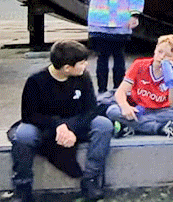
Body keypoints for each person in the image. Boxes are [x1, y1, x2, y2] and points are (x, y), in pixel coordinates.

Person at [8, 39, 113, 202]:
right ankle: (22, 186)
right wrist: (58, 126)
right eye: (82, 63)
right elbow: (29, 115)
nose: (86, 66)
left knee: (103, 125)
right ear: (66, 68)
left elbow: (91, 109)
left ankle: (90, 180)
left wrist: (71, 129)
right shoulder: (36, 81)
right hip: (45, 125)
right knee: (23, 135)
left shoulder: (82, 77)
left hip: (76, 121)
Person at [107, 34, 173, 137]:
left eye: (168, 56)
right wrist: (125, 107)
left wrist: (171, 83)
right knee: (112, 111)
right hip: (139, 109)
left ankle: (133, 127)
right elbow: (120, 92)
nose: (162, 57)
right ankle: (160, 128)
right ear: (155, 50)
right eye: (160, 52)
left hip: (161, 111)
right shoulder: (139, 65)